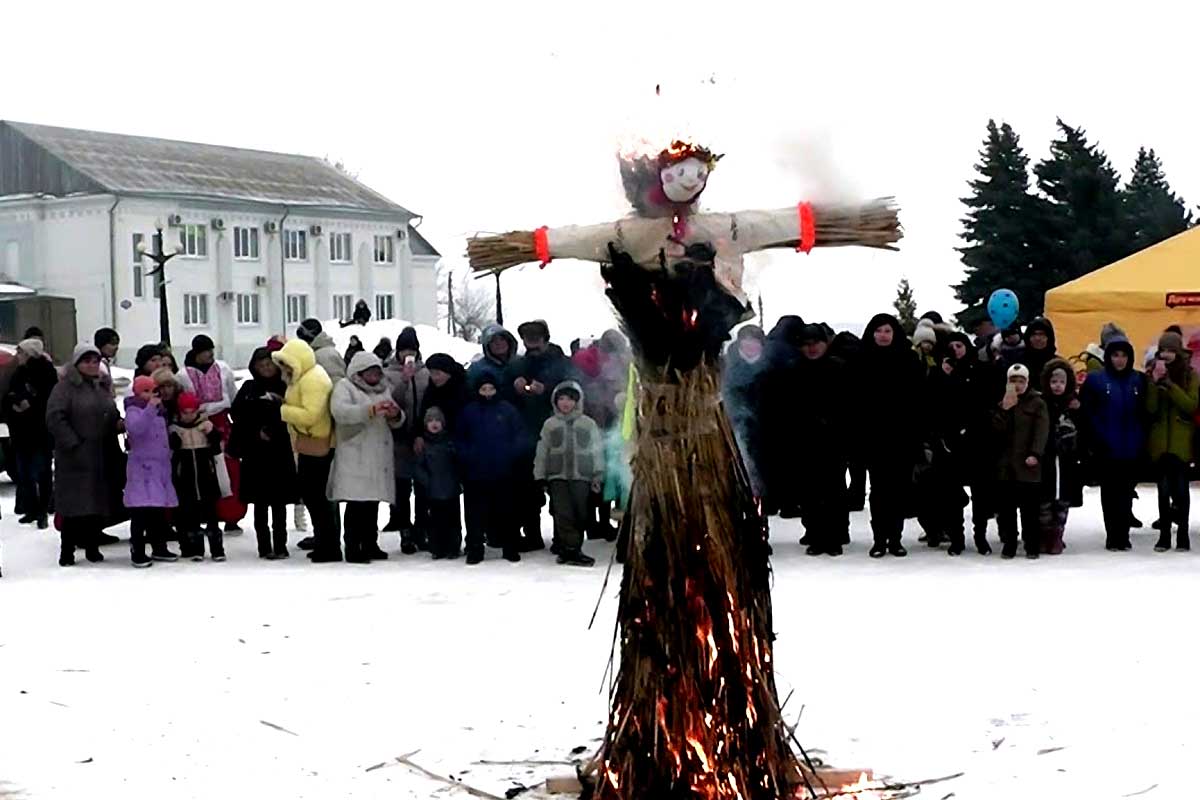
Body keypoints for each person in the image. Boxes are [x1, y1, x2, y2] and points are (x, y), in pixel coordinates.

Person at [928, 331, 1005, 555]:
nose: (956, 350)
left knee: (981, 493)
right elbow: (933, 406)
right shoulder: (938, 375)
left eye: (959, 345)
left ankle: (980, 536)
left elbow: (988, 400)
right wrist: (945, 377)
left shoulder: (981, 370)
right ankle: (957, 538)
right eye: (951, 346)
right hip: (949, 444)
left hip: (978, 441)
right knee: (952, 495)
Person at [46, 344, 122, 566]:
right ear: (77, 364)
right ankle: (67, 550)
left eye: (95, 361)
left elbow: (109, 412)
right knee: (72, 505)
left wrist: (118, 423)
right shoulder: (64, 388)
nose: (91, 365)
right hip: (74, 457)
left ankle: (92, 546)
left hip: (99, 453)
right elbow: (55, 418)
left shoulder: (99, 387)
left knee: (95, 503)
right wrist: (73, 443)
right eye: (86, 361)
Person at [509, 319, 579, 552]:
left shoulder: (561, 363)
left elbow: (573, 389)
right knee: (530, 486)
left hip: (558, 431)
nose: (531, 346)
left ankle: (563, 537)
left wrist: (547, 389)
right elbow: (509, 389)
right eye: (528, 341)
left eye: (535, 340)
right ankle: (533, 534)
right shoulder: (520, 363)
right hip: (528, 431)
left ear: (545, 339)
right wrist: (516, 385)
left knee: (560, 486)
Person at [858, 314, 924, 558]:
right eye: (878, 331)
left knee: (899, 490)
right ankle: (879, 539)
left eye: (887, 330)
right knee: (878, 490)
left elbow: (918, 400)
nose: (883, 335)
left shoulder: (909, 359)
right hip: (874, 438)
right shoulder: (862, 359)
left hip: (902, 437)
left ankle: (895, 538)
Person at [328, 352, 404, 563]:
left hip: (378, 453)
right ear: (359, 373)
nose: (374, 376)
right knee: (356, 505)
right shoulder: (345, 387)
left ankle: (370, 543)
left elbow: (395, 418)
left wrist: (395, 414)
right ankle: (353, 547)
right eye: (370, 372)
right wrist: (369, 410)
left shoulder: (383, 388)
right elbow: (340, 412)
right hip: (355, 451)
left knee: (372, 504)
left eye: (377, 371)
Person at [230, 347, 299, 559]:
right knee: (260, 504)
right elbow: (237, 413)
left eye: (269, 364)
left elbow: (293, 413)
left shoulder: (286, 386)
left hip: (280, 451)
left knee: (279, 504)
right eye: (261, 366)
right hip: (256, 453)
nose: (266, 369)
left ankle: (280, 544)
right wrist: (255, 428)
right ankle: (264, 545)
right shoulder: (249, 387)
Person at [273, 338, 339, 561]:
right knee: (314, 498)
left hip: (316, 445)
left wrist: (282, 410)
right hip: (309, 443)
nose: (283, 370)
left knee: (317, 498)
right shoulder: (304, 377)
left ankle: (329, 547)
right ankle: (324, 543)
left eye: (286, 364)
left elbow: (311, 415)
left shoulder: (313, 380)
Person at [1080, 335, 1146, 551]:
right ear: (1108, 357)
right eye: (1115, 355)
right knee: (1110, 493)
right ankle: (1113, 535)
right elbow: (1088, 413)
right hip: (1106, 446)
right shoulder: (1097, 380)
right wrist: (1095, 440)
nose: (1119, 360)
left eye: (1124, 355)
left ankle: (1123, 534)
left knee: (1126, 493)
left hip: (1131, 446)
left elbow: (1145, 413)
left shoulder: (1138, 380)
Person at [793, 324, 850, 556]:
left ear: (825, 344)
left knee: (834, 488)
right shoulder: (795, 371)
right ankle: (815, 533)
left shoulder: (839, 368)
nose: (812, 348)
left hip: (834, 439)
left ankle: (836, 534)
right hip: (806, 440)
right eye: (806, 344)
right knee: (809, 491)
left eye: (816, 343)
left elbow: (848, 404)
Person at [456, 370, 524, 564]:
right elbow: (460, 438)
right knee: (474, 513)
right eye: (484, 389)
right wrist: (468, 455)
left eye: (491, 389)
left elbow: (519, 435)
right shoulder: (469, 411)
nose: (487, 393)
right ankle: (475, 548)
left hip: (503, 470)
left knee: (507, 511)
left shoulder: (507, 410)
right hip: (475, 472)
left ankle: (510, 546)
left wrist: (511, 453)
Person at [534, 381, 603, 566]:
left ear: (577, 401)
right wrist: (539, 475)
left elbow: (596, 449)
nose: (565, 403)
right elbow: (542, 450)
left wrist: (598, 473)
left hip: (582, 475)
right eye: (561, 399)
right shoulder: (550, 424)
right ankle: (571, 549)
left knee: (580, 513)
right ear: (555, 402)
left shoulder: (588, 424)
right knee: (562, 512)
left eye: (570, 399)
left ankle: (571, 546)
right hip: (557, 476)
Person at [1145, 331, 1198, 552]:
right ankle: (1164, 534)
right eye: (1163, 350)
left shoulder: (1190, 376)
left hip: (1181, 442)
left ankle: (1183, 534)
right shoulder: (1153, 373)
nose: (1166, 355)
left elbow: (1191, 405)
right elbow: (1150, 408)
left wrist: (1170, 386)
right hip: (1160, 443)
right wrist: (1155, 384)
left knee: (1181, 490)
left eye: (1170, 351)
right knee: (1163, 490)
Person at [992, 364, 1049, 559]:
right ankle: (1009, 544)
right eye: (1013, 380)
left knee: (1029, 510)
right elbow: (996, 432)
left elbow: (1041, 431)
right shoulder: (1003, 403)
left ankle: (1031, 544)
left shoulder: (1037, 403)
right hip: (1006, 466)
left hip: (1028, 465)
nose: (1017, 385)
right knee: (1006, 510)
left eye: (1021, 380)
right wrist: (1005, 410)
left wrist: (1035, 453)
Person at [123, 376, 180, 567]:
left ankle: (159, 546)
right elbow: (136, 429)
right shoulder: (133, 410)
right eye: (145, 391)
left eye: (152, 391)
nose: (150, 395)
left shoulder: (159, 412)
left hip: (160, 468)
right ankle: (137, 549)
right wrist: (149, 409)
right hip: (142, 469)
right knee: (140, 513)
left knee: (157, 512)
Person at [383, 326, 430, 551]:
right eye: (404, 350)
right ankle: (405, 531)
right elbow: (389, 401)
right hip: (398, 435)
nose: (407, 355)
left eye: (411, 350)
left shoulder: (425, 372)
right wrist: (403, 380)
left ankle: (422, 529)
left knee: (422, 486)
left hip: (420, 435)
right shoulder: (389, 373)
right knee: (401, 487)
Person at [3, 338, 58, 527]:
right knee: (24, 473)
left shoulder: (46, 372)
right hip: (20, 431)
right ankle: (31, 508)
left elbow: (50, 401)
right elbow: (9, 394)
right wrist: (15, 403)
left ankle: (43, 509)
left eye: (21, 352)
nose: (18, 356)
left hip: (40, 431)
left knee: (41, 472)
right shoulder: (19, 372)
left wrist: (30, 405)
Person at [169, 392, 224, 561]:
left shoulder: (205, 425)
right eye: (185, 412)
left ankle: (217, 549)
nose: (188, 415)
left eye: (191, 411)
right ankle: (196, 549)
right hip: (185, 478)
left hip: (206, 475)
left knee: (212, 515)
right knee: (190, 516)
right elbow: (172, 450)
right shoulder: (174, 428)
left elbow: (217, 447)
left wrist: (212, 434)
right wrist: (175, 442)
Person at [1039, 358, 1083, 555]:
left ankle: (1058, 534)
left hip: (1067, 460)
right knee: (1044, 498)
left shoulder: (1073, 405)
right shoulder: (1041, 404)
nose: (1057, 386)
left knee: (1063, 498)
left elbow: (1082, 430)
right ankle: (1045, 534)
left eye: (1061, 382)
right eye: (1054, 382)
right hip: (1045, 457)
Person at [722, 325, 767, 499]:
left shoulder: (770, 366)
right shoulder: (729, 365)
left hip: (767, 424)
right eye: (746, 342)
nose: (750, 347)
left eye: (754, 343)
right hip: (738, 424)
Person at [413, 407, 462, 559]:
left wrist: (457, 479)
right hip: (433, 491)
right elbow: (418, 466)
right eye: (431, 421)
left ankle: (453, 547)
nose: (434, 424)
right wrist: (427, 481)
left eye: (437, 421)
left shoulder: (450, 443)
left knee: (453, 520)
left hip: (451, 489)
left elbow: (458, 463)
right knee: (435, 521)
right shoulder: (424, 445)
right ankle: (437, 547)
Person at [422, 353, 469, 432]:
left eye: (437, 373)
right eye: (431, 373)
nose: (434, 378)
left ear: (449, 373)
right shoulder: (431, 390)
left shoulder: (463, 392)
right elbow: (422, 414)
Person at [466, 324, 519, 389]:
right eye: (492, 341)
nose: (498, 343)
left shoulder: (522, 363)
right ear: (487, 346)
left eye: (502, 339)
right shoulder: (476, 369)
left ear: (509, 341)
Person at [1021, 317, 1059, 382]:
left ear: (1049, 337)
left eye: (1041, 334)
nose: (1037, 338)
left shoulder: (1058, 364)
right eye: (1033, 334)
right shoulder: (1018, 363)